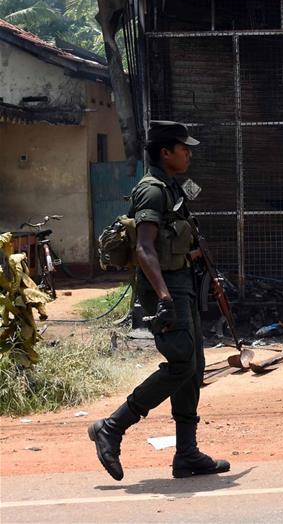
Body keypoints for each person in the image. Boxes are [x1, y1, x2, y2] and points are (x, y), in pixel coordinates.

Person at [88, 121, 230, 481]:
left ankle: (186, 455)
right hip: (164, 289)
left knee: (193, 367)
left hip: (181, 282)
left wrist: (200, 267)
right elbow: (144, 247)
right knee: (181, 364)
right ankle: (112, 426)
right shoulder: (151, 191)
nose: (189, 153)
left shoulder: (172, 187)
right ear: (165, 152)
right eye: (183, 148)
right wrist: (165, 297)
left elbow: (174, 242)